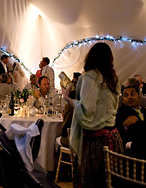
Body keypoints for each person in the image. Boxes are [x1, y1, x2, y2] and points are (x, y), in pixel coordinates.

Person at [62, 42, 123, 188]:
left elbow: (86, 110)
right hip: (114, 138)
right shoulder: (114, 79)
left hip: (95, 142)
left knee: (93, 183)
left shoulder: (90, 77)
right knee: (110, 182)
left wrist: (68, 98)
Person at [116, 84, 146, 151]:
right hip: (133, 147)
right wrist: (124, 125)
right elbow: (115, 132)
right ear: (123, 100)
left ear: (139, 97)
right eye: (126, 96)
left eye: (132, 94)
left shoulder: (144, 110)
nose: (129, 97)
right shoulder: (120, 112)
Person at [60, 72, 81, 148]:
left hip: (74, 140)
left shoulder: (71, 105)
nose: (72, 85)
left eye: (74, 83)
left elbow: (64, 130)